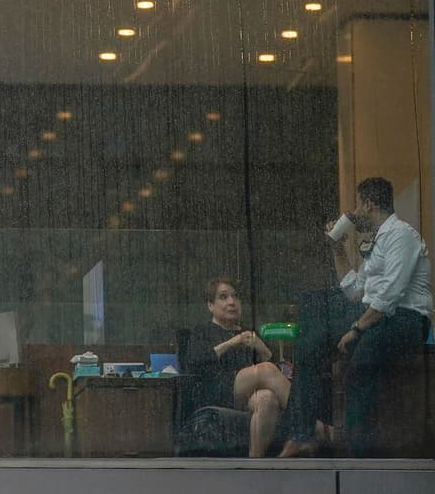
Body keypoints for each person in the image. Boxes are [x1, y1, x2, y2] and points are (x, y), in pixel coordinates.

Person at [279, 177, 433, 457]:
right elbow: (353, 290)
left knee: (358, 374)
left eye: (357, 205)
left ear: (368, 203)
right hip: (377, 315)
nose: (355, 212)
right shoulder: (376, 242)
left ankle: (358, 457)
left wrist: (356, 330)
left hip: (405, 319)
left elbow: (390, 294)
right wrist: (337, 247)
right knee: (311, 336)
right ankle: (302, 431)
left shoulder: (402, 235)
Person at [185, 277, 291, 457]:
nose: (231, 302)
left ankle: (254, 462)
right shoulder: (202, 331)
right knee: (264, 370)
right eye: (223, 297)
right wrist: (232, 342)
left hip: (247, 394)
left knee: (267, 399)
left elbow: (275, 373)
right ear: (211, 305)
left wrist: (262, 348)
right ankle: (307, 425)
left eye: (235, 297)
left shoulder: (248, 332)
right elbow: (194, 361)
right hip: (215, 390)